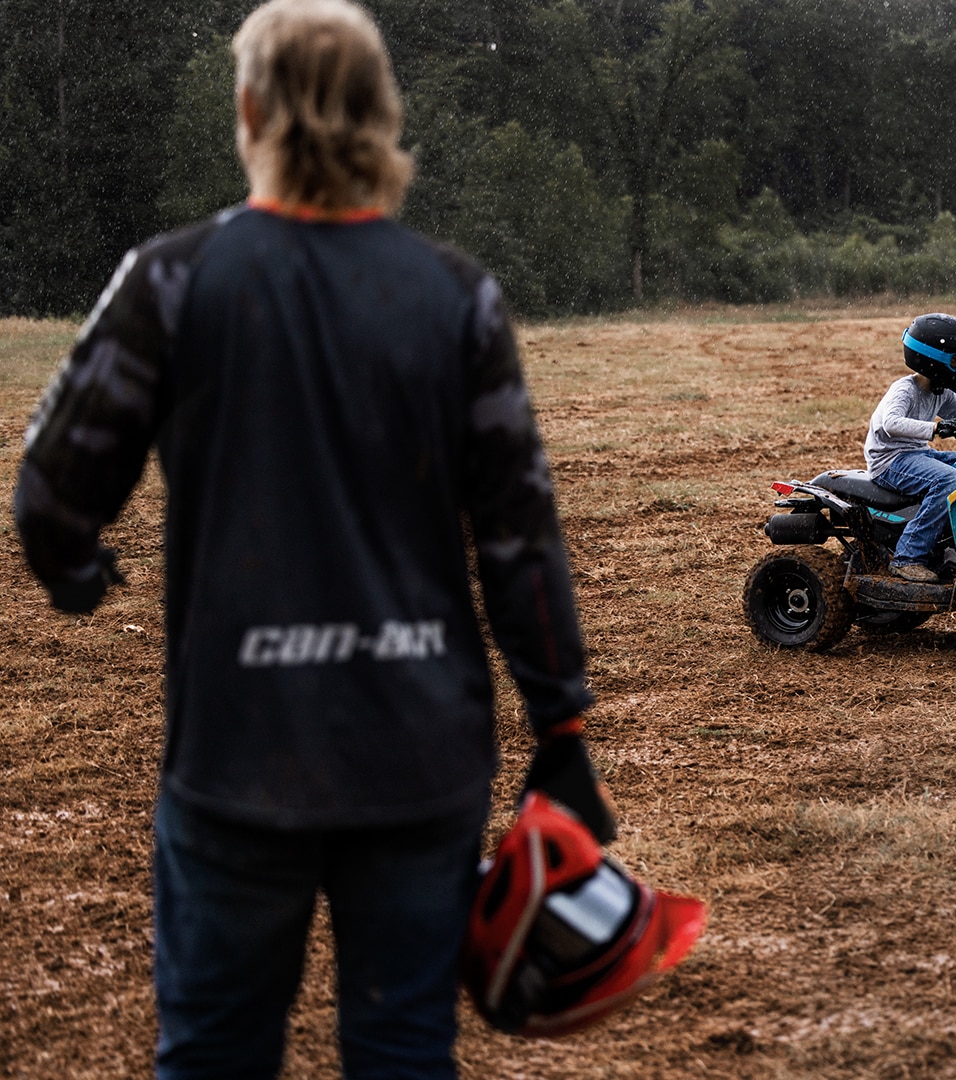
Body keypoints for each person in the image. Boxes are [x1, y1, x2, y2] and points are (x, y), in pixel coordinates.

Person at [12, 1, 614, 1075]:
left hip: (240, 755)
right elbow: (520, 532)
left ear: (249, 110)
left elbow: (52, 491)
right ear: (383, 115)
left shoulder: (173, 278)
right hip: (420, 758)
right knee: (399, 1052)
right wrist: (560, 733)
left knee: (213, 1054)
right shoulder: (456, 296)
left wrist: (77, 570)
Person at [864, 312, 956, 583]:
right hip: (890, 460)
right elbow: (890, 423)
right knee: (948, 479)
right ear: (933, 360)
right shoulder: (905, 389)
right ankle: (907, 556)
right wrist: (935, 428)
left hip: (918, 454)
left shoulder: (938, 391)